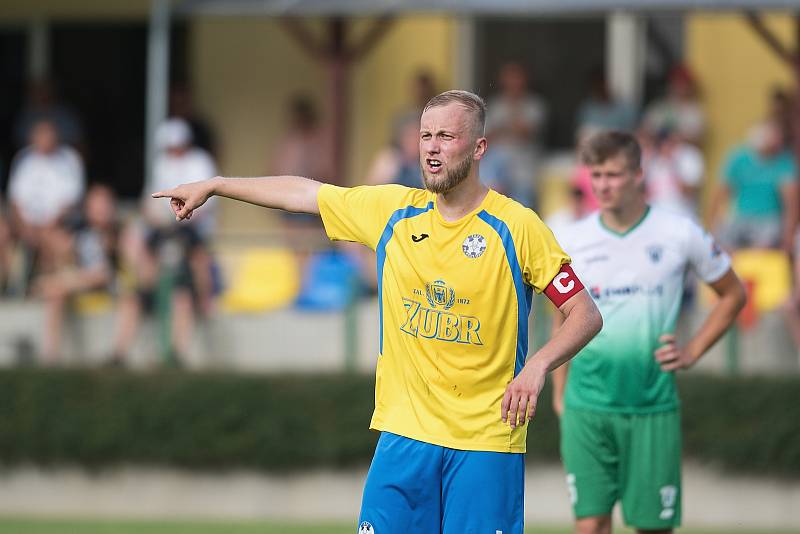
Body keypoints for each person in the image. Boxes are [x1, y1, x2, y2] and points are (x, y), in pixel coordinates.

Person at [153, 90, 603, 533]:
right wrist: (216, 186)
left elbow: (584, 313)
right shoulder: (394, 211)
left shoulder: (518, 227)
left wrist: (538, 365)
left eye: (446, 136)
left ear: (479, 147)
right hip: (404, 438)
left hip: (485, 442)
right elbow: (304, 193)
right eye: (426, 135)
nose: (432, 146)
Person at [551, 131, 746, 534]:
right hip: (587, 407)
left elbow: (733, 295)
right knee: (589, 526)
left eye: (613, 175)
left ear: (639, 174)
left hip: (652, 407)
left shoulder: (680, 233)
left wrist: (692, 351)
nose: (602, 185)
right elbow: (562, 318)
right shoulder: (571, 239)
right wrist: (559, 391)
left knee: (653, 529)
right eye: (596, 175)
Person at [32, 184, 118, 363]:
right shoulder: (79, 234)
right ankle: (50, 357)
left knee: (55, 286)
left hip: (108, 287)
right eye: (97, 205)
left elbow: (104, 274)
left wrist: (63, 281)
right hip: (82, 285)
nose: (101, 210)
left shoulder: (117, 234)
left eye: (104, 204)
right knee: (55, 293)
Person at [708, 119, 797, 253]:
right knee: (722, 241)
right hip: (740, 217)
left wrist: (788, 237)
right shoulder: (738, 158)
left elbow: (791, 203)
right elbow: (720, 193)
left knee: (764, 243)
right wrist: (712, 228)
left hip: (769, 219)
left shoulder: (784, 162)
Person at [486, 62, 548, 207]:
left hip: (523, 175)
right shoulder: (495, 104)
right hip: (497, 178)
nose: (513, 82)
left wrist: (505, 124)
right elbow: (487, 138)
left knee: (522, 220)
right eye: (510, 78)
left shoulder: (535, 105)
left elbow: (526, 132)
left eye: (517, 78)